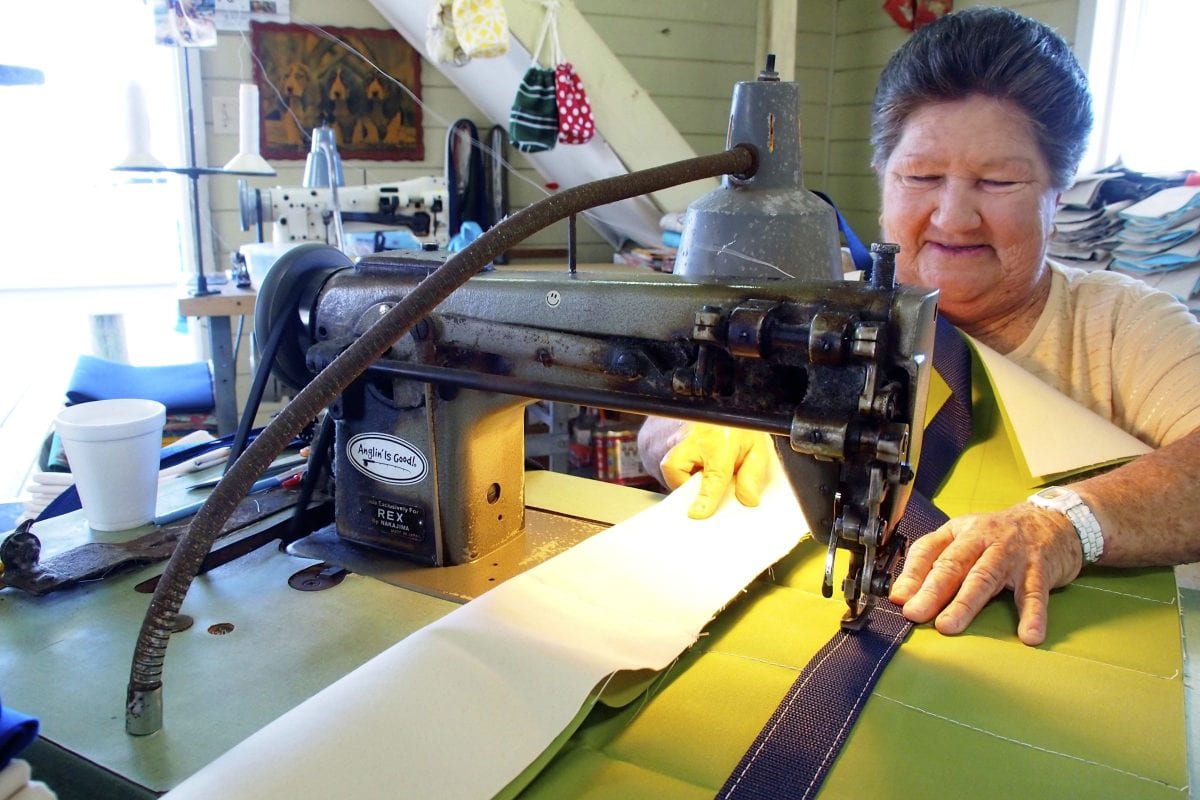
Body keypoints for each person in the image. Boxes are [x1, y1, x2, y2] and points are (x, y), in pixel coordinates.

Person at [639, 6, 1200, 647]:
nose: (955, 217)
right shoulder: (819, 315)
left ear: (1059, 186)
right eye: (923, 177)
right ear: (882, 174)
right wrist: (696, 430)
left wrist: (1069, 523)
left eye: (999, 181)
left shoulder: (1119, 328)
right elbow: (665, 423)